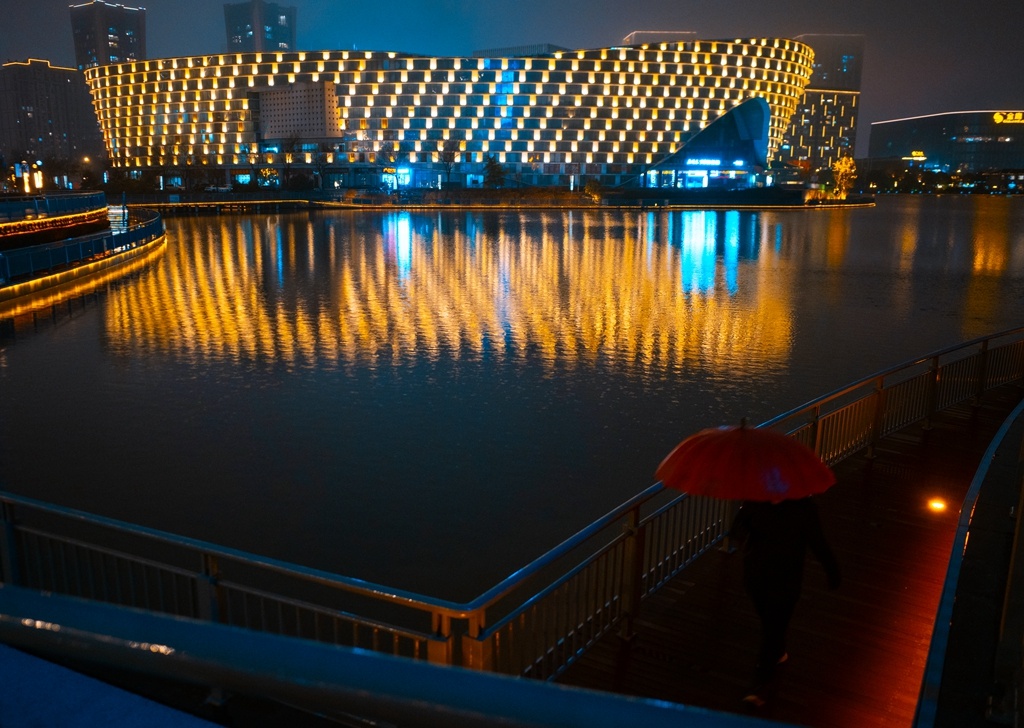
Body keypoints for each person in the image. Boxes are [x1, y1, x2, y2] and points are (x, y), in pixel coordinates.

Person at [729, 496, 841, 707]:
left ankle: (760, 684)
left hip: (773, 578)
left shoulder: (786, 506)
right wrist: (832, 572)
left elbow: (818, 542)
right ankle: (778, 651)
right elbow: (737, 530)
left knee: (771, 626)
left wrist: (832, 570)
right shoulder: (767, 503)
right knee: (771, 624)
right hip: (768, 577)